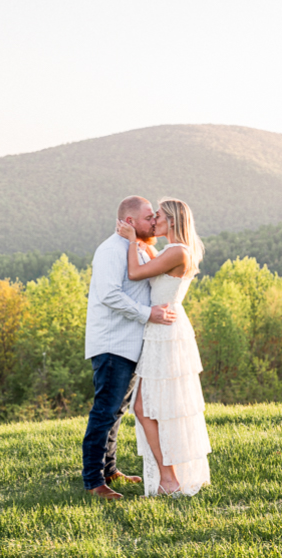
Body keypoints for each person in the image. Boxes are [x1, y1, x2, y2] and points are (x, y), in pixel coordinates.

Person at [81, 195, 175, 500]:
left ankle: (109, 470)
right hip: (113, 343)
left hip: (131, 344)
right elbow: (110, 295)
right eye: (149, 217)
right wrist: (150, 314)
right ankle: (93, 481)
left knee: (117, 410)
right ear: (130, 221)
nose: (154, 221)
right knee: (105, 411)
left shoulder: (138, 248)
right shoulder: (111, 250)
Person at [116, 198, 211, 497]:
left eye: (158, 216)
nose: (154, 220)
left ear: (172, 220)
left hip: (166, 331)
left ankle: (170, 479)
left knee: (145, 406)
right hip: (161, 329)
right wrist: (144, 246)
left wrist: (133, 241)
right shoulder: (172, 251)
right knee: (149, 406)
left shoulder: (179, 252)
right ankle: (170, 477)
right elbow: (155, 268)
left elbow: (135, 273)